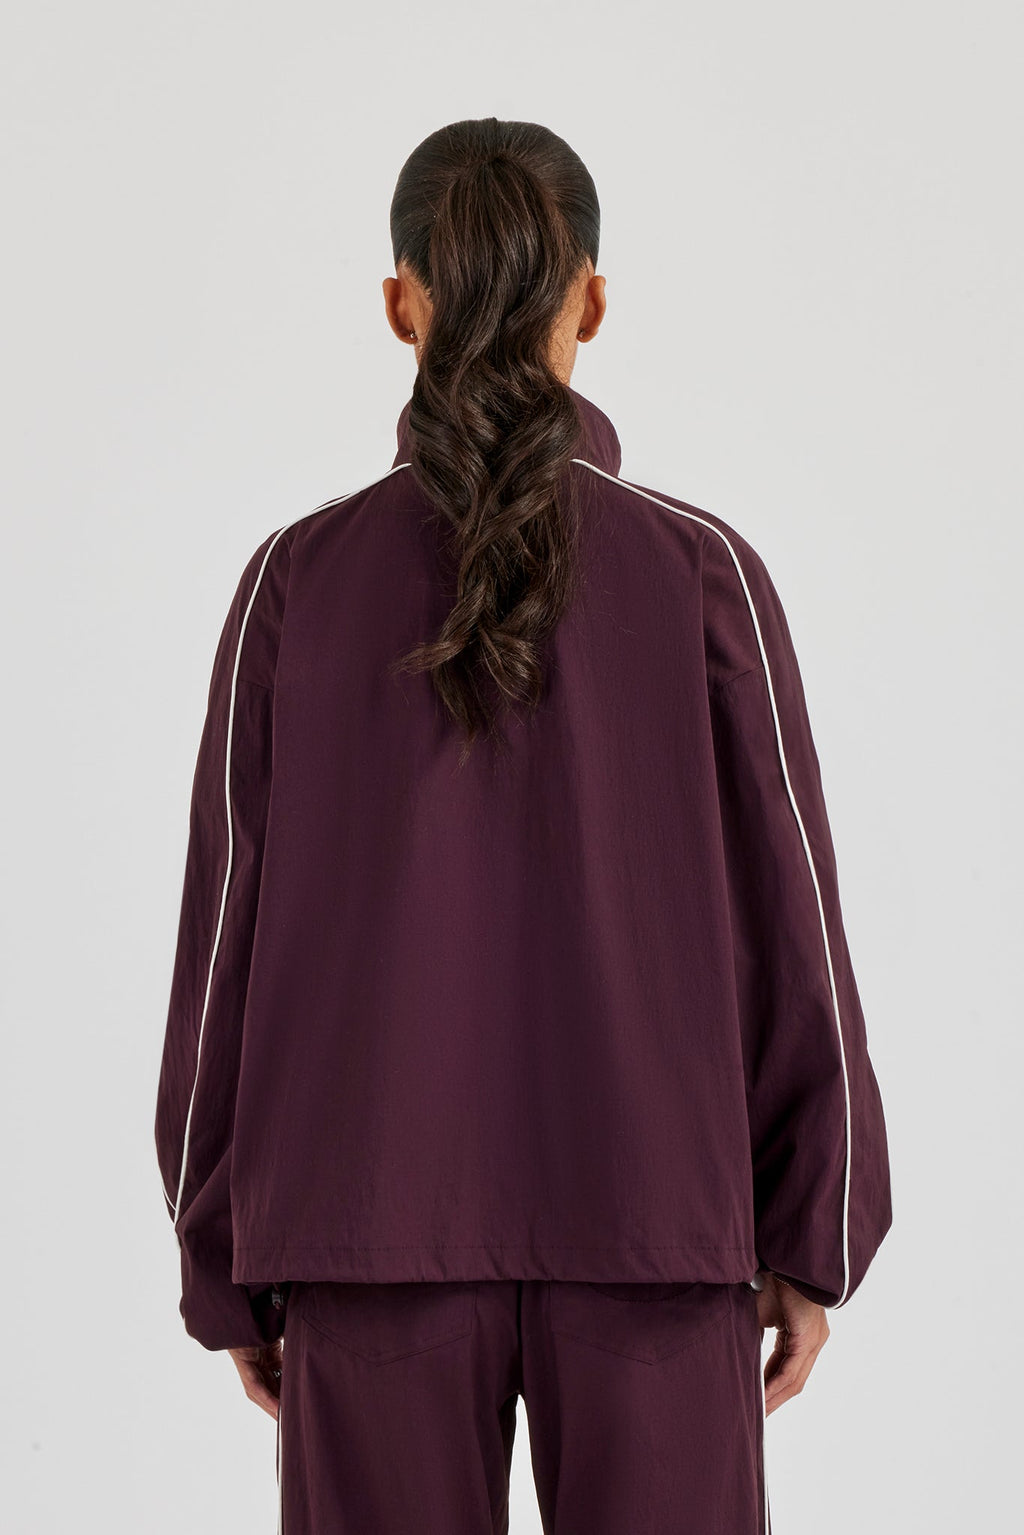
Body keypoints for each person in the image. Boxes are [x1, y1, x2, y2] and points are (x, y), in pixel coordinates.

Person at [154, 117, 893, 1534]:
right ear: (592, 303)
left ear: (401, 304)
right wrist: (819, 1226)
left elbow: (223, 945)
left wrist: (223, 1250)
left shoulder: (295, 580)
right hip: (660, 1234)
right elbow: (794, 923)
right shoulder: (700, 572)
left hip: (362, 1233)